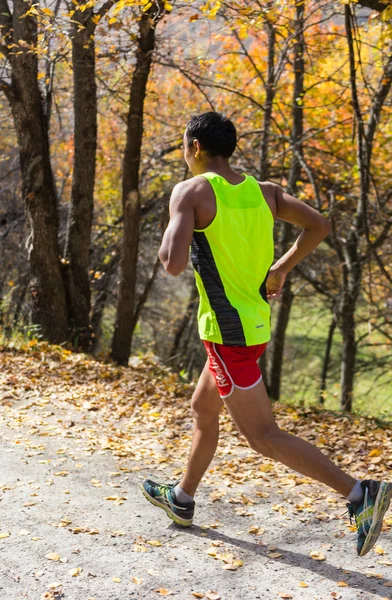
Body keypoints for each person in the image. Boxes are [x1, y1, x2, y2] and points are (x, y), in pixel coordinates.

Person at [140, 111, 391, 556]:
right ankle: (181, 499)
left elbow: (172, 264)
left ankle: (360, 495)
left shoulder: (191, 192)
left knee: (263, 437)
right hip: (252, 325)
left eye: (183, 145)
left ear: (194, 147)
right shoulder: (264, 192)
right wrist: (280, 269)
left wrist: (176, 214)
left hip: (227, 335)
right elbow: (320, 226)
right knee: (203, 408)